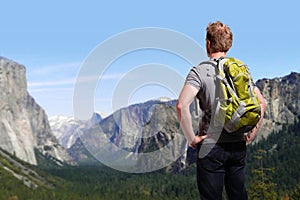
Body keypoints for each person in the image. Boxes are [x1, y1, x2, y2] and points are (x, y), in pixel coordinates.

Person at [176, 21, 267, 200]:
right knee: (238, 194)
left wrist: (192, 139)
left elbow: (181, 105)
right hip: (238, 145)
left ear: (208, 43)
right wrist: (251, 134)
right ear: (228, 44)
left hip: (211, 145)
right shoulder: (241, 70)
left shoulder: (199, 71)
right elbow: (261, 103)